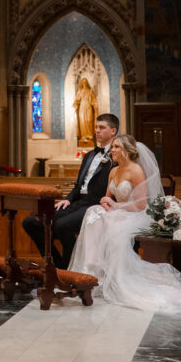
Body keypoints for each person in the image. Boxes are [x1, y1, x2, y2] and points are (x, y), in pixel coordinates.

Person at [69, 134, 181, 317]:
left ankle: (109, 277)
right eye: (112, 147)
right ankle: (90, 270)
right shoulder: (113, 171)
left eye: (116, 147)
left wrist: (116, 206)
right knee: (93, 212)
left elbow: (141, 205)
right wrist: (105, 203)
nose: (112, 150)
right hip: (116, 212)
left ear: (127, 151)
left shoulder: (136, 171)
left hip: (133, 214)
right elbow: (107, 197)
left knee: (110, 226)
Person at [22, 113, 119, 269]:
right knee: (30, 222)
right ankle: (56, 265)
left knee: (62, 225)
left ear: (113, 131)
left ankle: (68, 269)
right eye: (96, 127)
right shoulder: (88, 156)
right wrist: (68, 199)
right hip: (77, 202)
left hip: (96, 205)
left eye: (102, 127)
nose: (97, 131)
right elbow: (78, 185)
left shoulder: (117, 156)